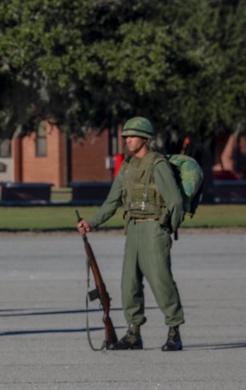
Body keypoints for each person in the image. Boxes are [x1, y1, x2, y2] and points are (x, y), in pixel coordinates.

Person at [77, 116, 185, 351]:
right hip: (133, 229)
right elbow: (112, 201)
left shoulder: (157, 165)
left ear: (145, 138)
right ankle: (134, 333)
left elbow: (176, 202)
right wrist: (92, 223)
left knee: (161, 281)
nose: (127, 140)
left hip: (154, 229)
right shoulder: (127, 166)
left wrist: (168, 226)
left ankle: (174, 331)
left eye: (132, 136)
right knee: (129, 284)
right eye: (126, 136)